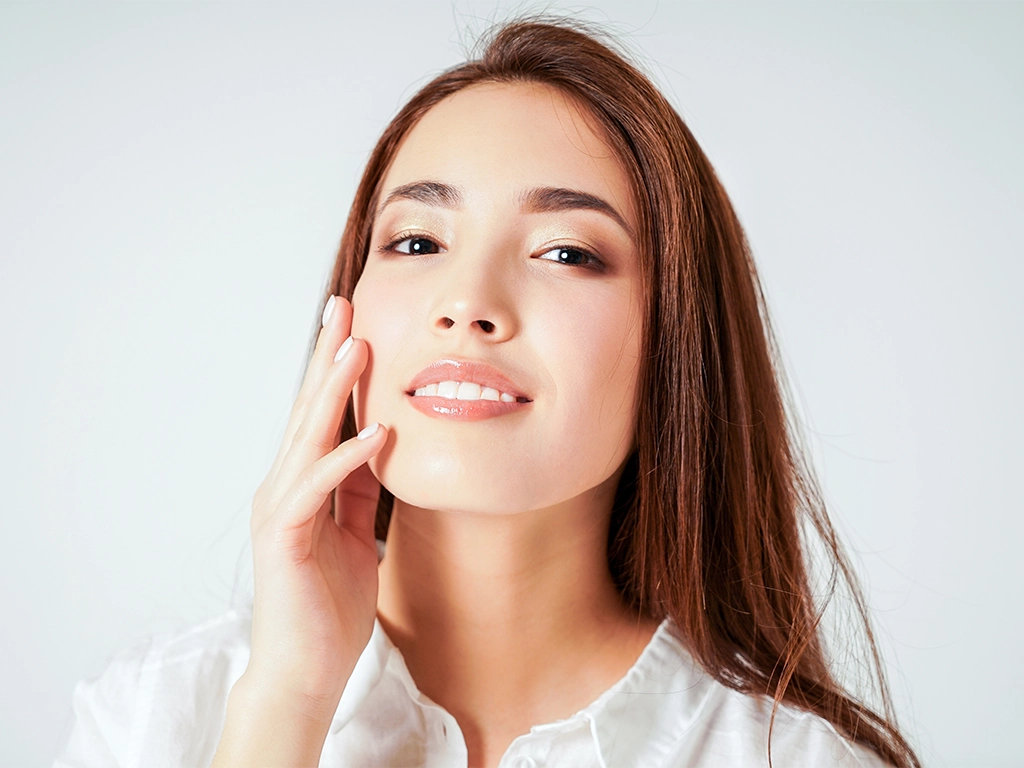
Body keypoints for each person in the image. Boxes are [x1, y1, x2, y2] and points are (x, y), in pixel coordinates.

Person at [55, 17, 920, 768]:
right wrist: (287, 698)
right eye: (418, 242)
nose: (466, 303)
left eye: (565, 253)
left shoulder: (792, 759)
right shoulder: (151, 719)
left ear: (677, 347)